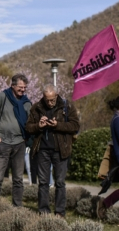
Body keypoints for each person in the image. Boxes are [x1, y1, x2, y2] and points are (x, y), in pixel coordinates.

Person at [25, 84, 80, 217]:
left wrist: (58, 125)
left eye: (52, 100)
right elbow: (28, 127)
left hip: (61, 150)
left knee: (60, 182)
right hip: (42, 149)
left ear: (56, 96)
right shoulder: (36, 108)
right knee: (43, 182)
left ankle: (60, 211)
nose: (50, 103)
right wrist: (38, 125)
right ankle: (43, 211)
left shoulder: (67, 106)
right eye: (47, 100)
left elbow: (75, 125)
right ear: (43, 97)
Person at [0, 74, 32, 205]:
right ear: (13, 86)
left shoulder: (26, 102)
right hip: (2, 142)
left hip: (20, 143)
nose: (23, 90)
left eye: (25, 88)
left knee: (18, 178)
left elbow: (31, 122)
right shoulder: (2, 97)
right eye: (20, 87)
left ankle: (17, 207)